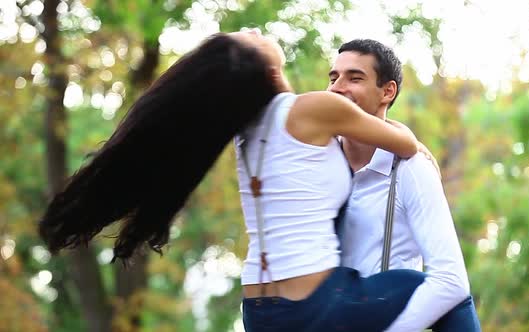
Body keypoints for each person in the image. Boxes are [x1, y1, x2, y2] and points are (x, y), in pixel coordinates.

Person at [38, 30, 457, 332]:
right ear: (258, 68)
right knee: (441, 290)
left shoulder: (248, 131)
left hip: (258, 311)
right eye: (249, 39)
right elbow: (401, 142)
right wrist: (415, 145)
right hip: (312, 303)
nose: (253, 30)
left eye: (350, 77)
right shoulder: (314, 110)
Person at [328, 38, 481, 331]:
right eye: (333, 78)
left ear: (388, 91)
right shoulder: (318, 162)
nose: (336, 88)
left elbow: (452, 281)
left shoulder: (411, 170)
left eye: (354, 78)